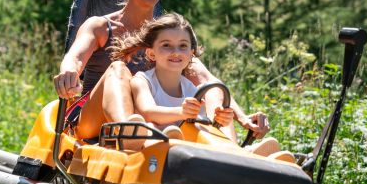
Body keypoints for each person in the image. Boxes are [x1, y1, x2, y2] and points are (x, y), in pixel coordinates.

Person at [52, 0, 269, 145]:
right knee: (117, 69)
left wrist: (243, 118)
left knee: (209, 89)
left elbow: (206, 79)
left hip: (149, 125)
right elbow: (75, 58)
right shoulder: (100, 26)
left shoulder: (165, 38)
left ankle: (227, 148)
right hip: (92, 123)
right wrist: (69, 73)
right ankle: (129, 132)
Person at [112, 12, 292, 160]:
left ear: (191, 54)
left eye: (183, 46)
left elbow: (201, 124)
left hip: (188, 149)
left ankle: (237, 153)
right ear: (151, 53)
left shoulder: (192, 89)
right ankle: (241, 156)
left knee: (208, 126)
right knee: (155, 127)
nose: (176, 52)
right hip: (151, 148)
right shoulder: (142, 80)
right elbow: (147, 111)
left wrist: (221, 121)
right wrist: (181, 112)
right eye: (166, 45)